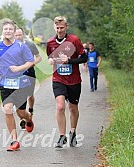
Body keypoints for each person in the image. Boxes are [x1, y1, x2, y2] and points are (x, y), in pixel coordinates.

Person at [0, 20, 34, 151]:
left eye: (10, 29)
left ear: (14, 32)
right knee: (7, 109)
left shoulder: (22, 46)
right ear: (2, 32)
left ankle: (28, 119)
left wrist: (19, 68)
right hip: (5, 83)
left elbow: (30, 62)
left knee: (21, 113)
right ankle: (14, 140)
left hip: (21, 83)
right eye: (6, 29)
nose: (8, 31)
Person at [46, 16, 87, 149]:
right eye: (57, 28)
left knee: (73, 108)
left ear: (66, 27)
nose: (59, 30)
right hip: (58, 79)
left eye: (62, 27)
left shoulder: (74, 40)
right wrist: (51, 61)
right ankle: (62, 136)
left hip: (74, 80)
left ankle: (73, 132)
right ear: (54, 27)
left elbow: (84, 57)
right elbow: (50, 58)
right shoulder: (50, 43)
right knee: (60, 107)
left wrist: (69, 61)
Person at [15, 27, 42, 129]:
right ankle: (22, 118)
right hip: (17, 75)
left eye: (19, 35)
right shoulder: (11, 46)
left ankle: (30, 110)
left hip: (29, 73)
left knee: (29, 95)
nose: (18, 37)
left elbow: (39, 57)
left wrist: (32, 64)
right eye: (16, 35)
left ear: (23, 35)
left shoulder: (30, 44)